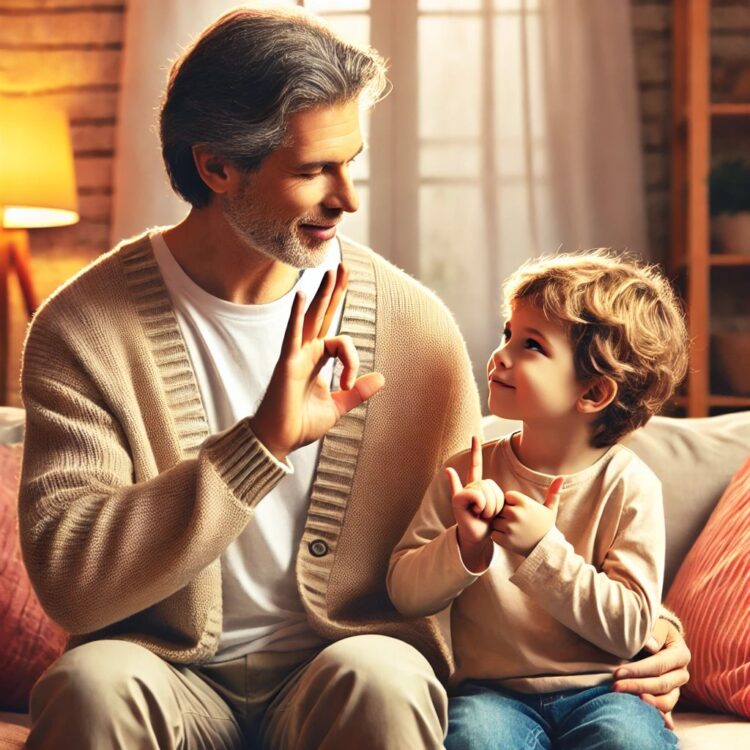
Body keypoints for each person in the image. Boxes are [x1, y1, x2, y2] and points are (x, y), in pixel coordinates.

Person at [18, 5, 689, 749]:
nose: (348, 199)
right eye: (314, 170)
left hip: (341, 667)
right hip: (159, 667)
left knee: (386, 677)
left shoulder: (415, 330)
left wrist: (650, 626)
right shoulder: (84, 330)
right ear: (216, 166)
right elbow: (70, 579)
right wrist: (261, 445)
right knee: (89, 684)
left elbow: (500, 511)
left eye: (351, 162)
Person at [388, 251, 689, 749]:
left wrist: (543, 550)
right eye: (508, 334)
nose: (499, 355)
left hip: (606, 691)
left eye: (531, 345)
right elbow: (405, 592)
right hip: (492, 694)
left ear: (593, 392)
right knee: (476, 740)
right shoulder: (468, 470)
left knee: (627, 740)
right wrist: (464, 547)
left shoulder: (631, 486)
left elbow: (630, 630)